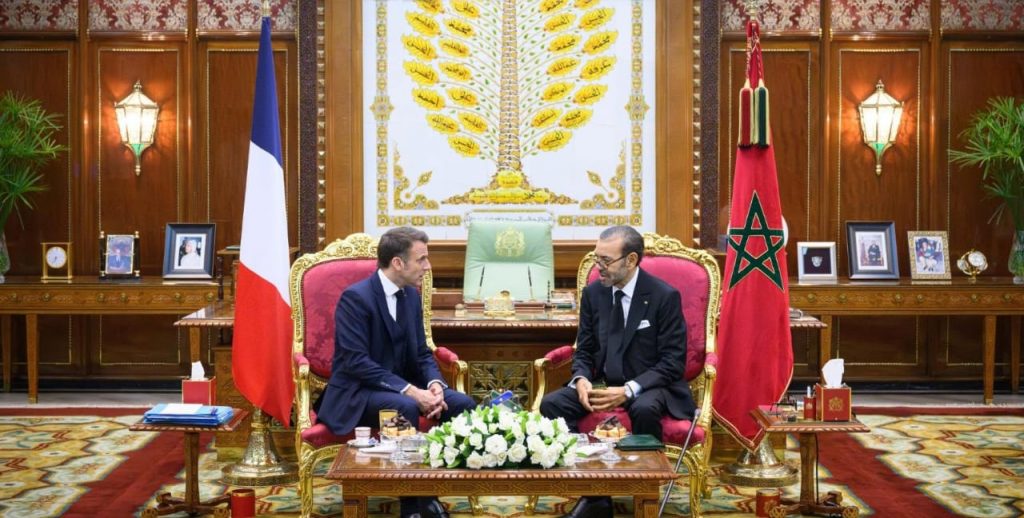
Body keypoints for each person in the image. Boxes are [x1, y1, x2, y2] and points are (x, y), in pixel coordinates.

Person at [317, 226, 475, 518]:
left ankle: (433, 487)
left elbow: (422, 353)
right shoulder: (356, 298)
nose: (428, 267)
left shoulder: (411, 296)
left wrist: (435, 385)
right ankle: (412, 505)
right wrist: (413, 392)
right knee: (402, 406)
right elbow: (356, 362)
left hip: (402, 388)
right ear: (398, 263)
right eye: (421, 259)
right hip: (358, 393)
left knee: (462, 404)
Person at [540, 225, 694, 518]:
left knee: (645, 409)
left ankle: (645, 492)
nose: (598, 267)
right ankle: (595, 495)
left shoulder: (663, 296)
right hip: (602, 383)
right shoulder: (594, 294)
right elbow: (584, 349)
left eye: (605, 260)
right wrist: (581, 379)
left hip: (649, 385)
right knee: (552, 405)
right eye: (596, 258)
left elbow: (673, 362)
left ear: (631, 260)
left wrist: (628, 390)